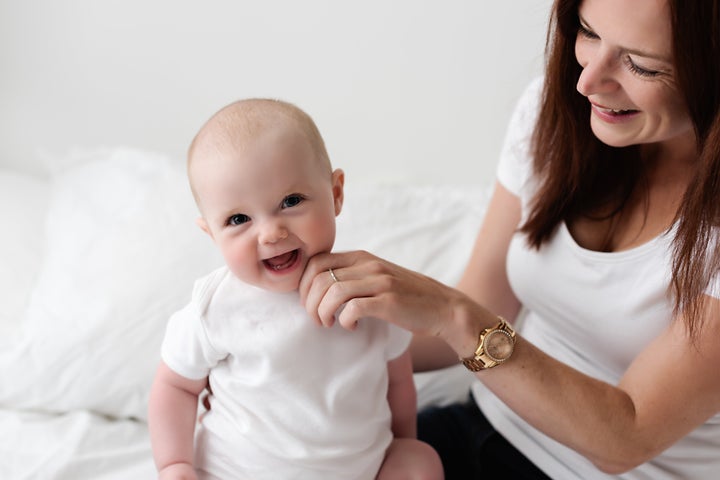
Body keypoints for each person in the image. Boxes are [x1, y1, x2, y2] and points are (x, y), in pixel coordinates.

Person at [298, 0, 720, 478]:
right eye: (587, 32)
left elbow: (627, 437)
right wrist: (308, 356)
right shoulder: (554, 113)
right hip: (482, 427)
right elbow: (486, 302)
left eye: (641, 64)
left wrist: (452, 314)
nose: (587, 82)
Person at [148, 98, 443, 480]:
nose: (271, 233)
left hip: (360, 470)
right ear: (212, 234)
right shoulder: (216, 307)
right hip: (236, 472)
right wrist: (174, 464)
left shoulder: (369, 287)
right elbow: (175, 387)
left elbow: (399, 380)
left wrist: (399, 442)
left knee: (419, 460)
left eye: (291, 201)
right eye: (239, 219)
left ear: (336, 193)